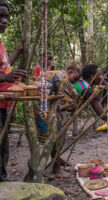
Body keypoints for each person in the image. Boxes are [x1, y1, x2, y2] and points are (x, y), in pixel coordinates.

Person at [0, 0, 27, 182]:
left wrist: (18, 51)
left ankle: (2, 179)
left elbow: (5, 66)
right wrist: (5, 78)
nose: (4, 21)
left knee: (3, 144)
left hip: (3, 103)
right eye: (0, 17)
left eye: (6, 17)